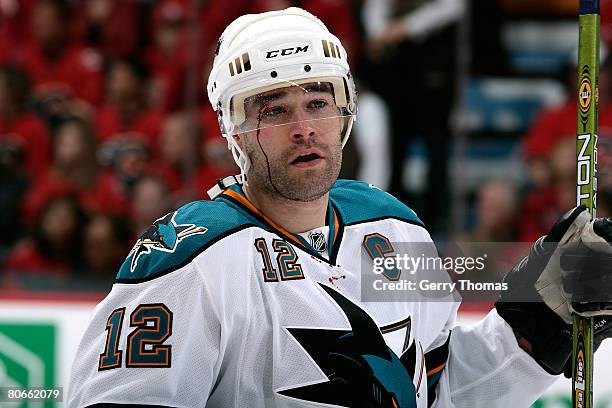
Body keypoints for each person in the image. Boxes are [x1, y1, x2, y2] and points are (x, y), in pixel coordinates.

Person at [67, 8, 612, 407]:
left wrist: (536, 321)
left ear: (346, 112)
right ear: (234, 129)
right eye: (273, 108)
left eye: (318, 102)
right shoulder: (189, 263)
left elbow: (437, 391)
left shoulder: (397, 227)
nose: (303, 127)